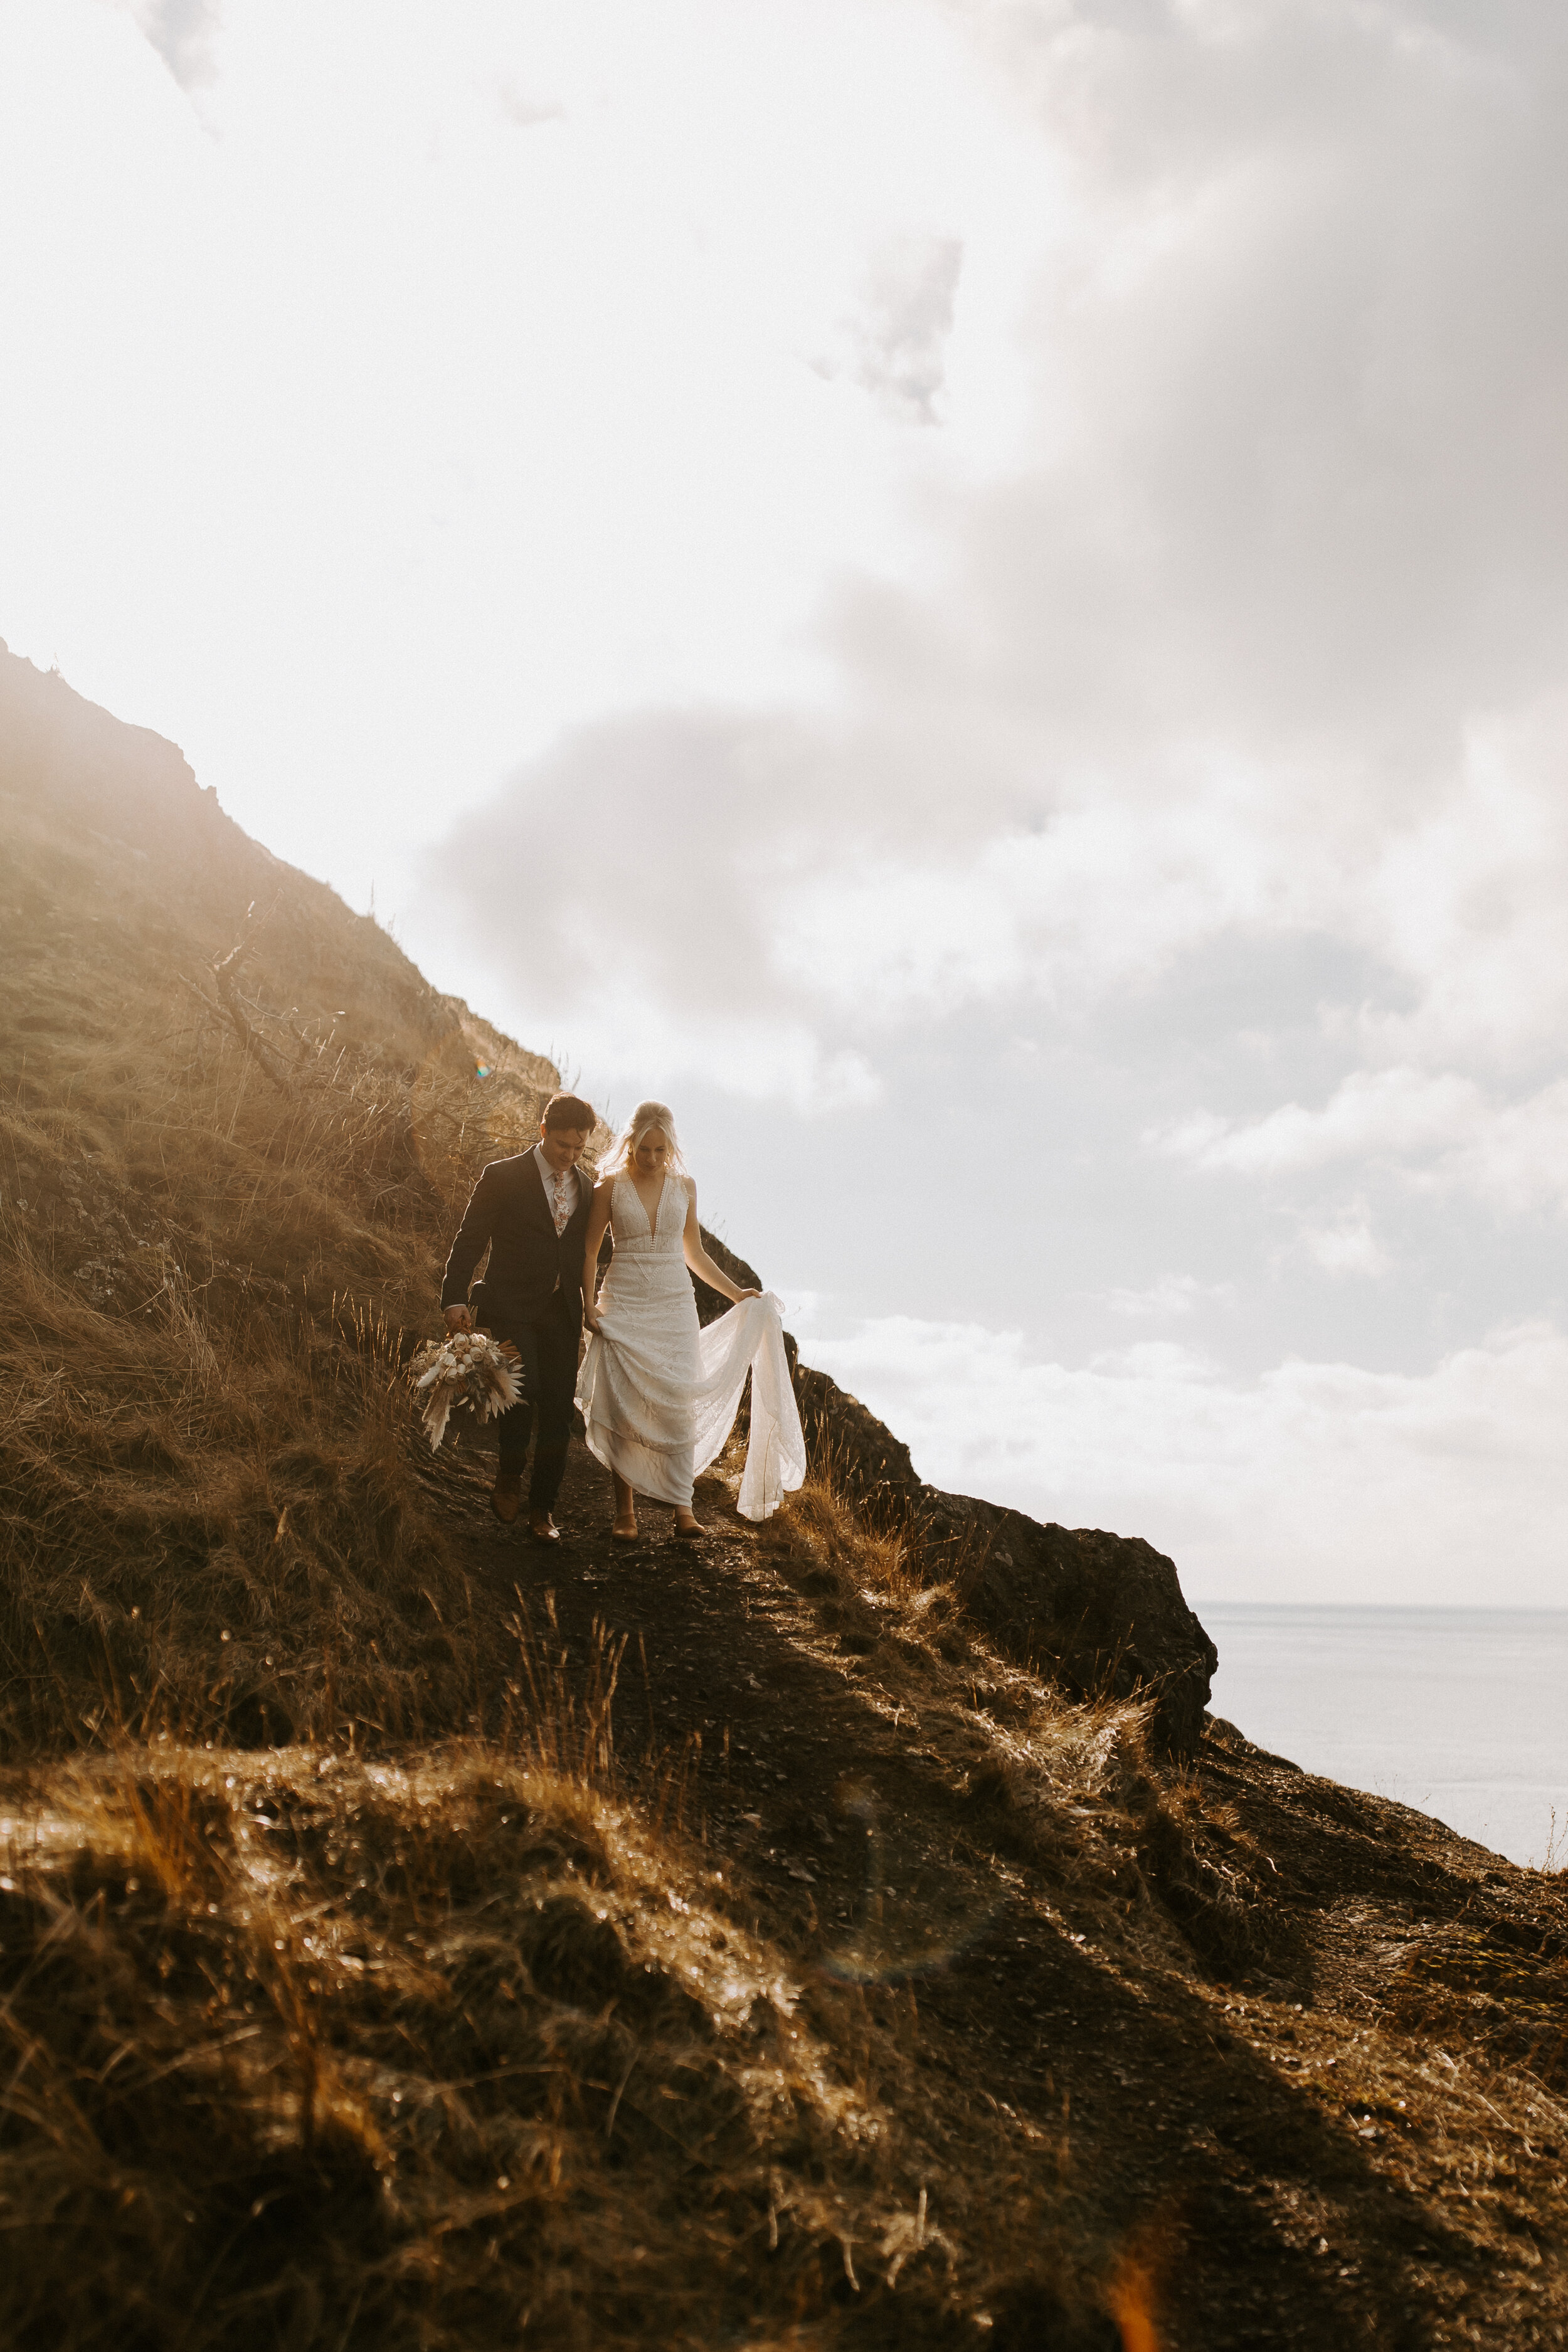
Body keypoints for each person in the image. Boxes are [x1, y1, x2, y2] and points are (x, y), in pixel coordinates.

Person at [576, 1100, 807, 1541]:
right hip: (623, 1300)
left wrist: (738, 1293)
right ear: (631, 1142)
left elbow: (694, 1253)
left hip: (673, 1302)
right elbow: (589, 1251)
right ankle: (625, 1513)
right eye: (645, 1149)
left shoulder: (685, 1187)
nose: (652, 1158)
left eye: (660, 1150)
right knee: (624, 1402)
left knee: (678, 1404)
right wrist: (588, 1304)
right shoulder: (608, 1186)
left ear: (670, 1147)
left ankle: (684, 1507)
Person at [440, 1091, 597, 1540]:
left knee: (558, 1410)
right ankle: (509, 1474)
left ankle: (543, 1509)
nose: (569, 1156)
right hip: (510, 1304)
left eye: (579, 1148)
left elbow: (590, 1251)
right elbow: (469, 1240)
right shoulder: (502, 1176)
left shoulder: (587, 1189)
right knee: (522, 1388)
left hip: (562, 1312)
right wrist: (454, 1298)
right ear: (543, 1131)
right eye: (562, 1145)